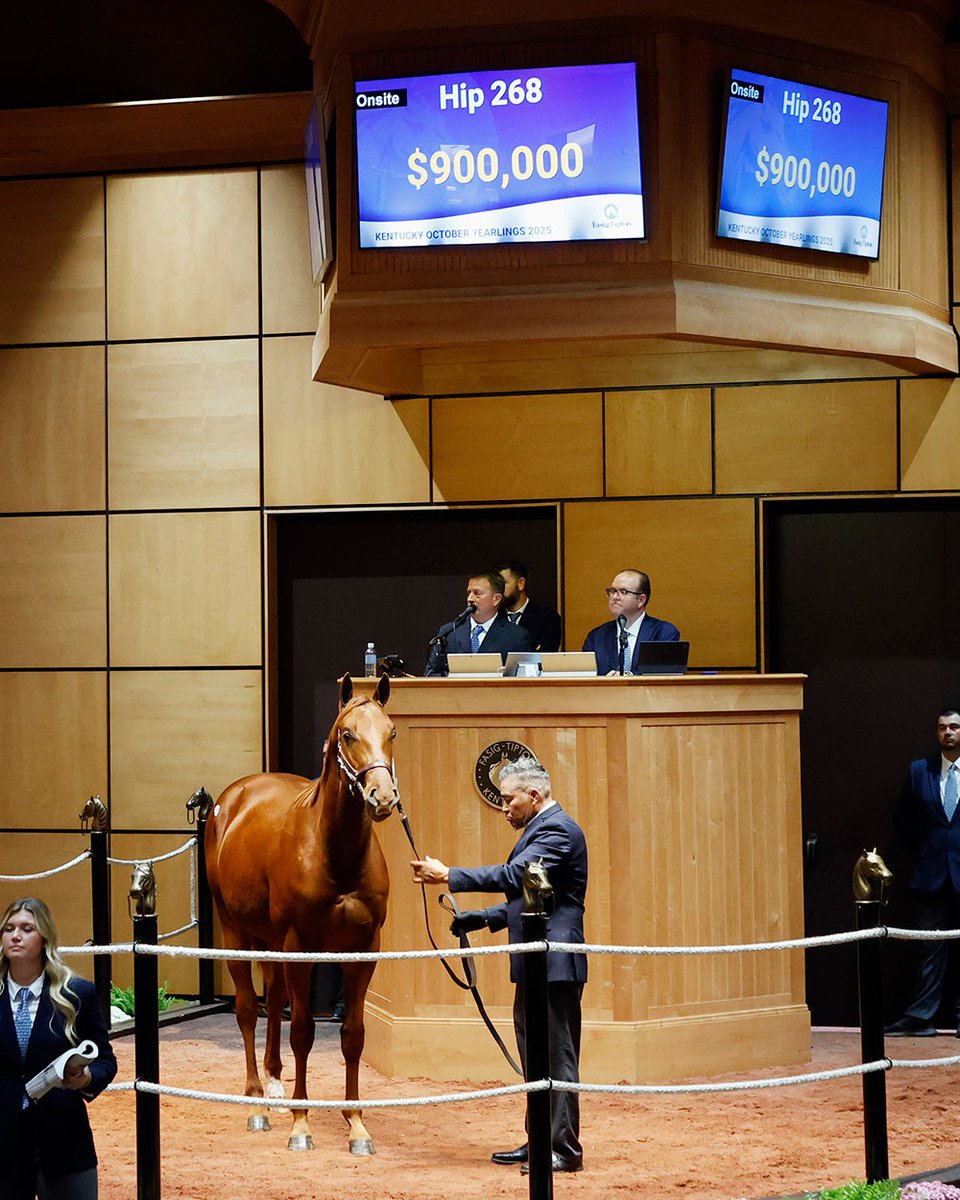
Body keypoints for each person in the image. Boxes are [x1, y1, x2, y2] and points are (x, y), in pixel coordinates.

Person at [410, 756, 587, 1174]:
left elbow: (516, 875)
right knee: (535, 1057)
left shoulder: (558, 830)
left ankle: (565, 1150)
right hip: (536, 961)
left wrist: (449, 875)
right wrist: (482, 918)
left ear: (533, 795)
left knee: (556, 1058)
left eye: (509, 800)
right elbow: (535, 897)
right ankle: (541, 1141)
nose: (504, 808)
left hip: (554, 961)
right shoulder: (541, 830)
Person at [0, 896, 117, 1199]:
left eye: (27, 929)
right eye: (9, 929)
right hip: (4, 1144)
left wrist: (86, 1078)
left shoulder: (77, 994)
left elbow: (105, 1061)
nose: (15, 936)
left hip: (64, 1143)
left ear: (44, 938)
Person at [885, 708, 960, 1038]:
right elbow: (902, 817)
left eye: (954, 727)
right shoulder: (920, 771)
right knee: (929, 949)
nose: (948, 732)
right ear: (936, 733)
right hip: (930, 875)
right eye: (942, 727)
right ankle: (921, 1018)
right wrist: (922, 849)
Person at [423, 571, 531, 676]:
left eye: (477, 594)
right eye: (469, 593)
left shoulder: (516, 636)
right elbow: (431, 674)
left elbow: (522, 679)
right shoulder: (449, 632)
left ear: (496, 599)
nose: (470, 599)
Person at [582, 568, 680, 675]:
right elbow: (586, 678)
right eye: (613, 591)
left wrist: (629, 678)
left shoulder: (663, 633)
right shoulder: (596, 637)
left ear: (641, 600)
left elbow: (665, 678)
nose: (615, 597)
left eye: (623, 592)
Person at [493, 560, 562, 652]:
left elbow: (545, 654)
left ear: (521, 583)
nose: (498, 590)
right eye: (496, 585)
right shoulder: (493, 616)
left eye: (503, 584)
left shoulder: (547, 618)